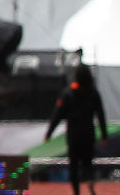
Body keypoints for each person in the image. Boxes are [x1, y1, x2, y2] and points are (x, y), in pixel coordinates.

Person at [45, 64, 108, 195]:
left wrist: (49, 132)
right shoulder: (94, 93)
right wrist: (104, 135)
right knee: (88, 162)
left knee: (73, 165)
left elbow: (57, 114)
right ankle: (90, 179)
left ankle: (76, 192)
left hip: (74, 135)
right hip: (88, 133)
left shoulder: (68, 93)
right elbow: (101, 115)